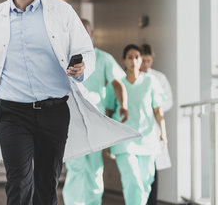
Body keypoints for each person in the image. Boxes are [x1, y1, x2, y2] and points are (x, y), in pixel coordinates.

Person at [0, 0, 138, 205]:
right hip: (13, 113)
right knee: (19, 181)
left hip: (54, 111)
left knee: (47, 183)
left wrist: (82, 69)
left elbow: (87, 53)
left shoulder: (62, 12)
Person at [62, 19, 126, 205]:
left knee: (95, 168)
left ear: (91, 33)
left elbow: (118, 83)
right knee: (76, 166)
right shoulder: (65, 58)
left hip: (96, 120)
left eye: (85, 31)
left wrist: (122, 106)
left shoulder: (103, 58)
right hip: (73, 120)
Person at [104, 44, 167, 205]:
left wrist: (163, 134)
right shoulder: (117, 84)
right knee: (133, 181)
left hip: (147, 139)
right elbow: (109, 113)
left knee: (146, 182)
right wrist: (107, 140)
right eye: (130, 57)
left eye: (137, 57)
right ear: (124, 60)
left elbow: (158, 110)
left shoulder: (150, 82)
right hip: (124, 140)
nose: (134, 60)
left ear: (141, 60)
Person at [140, 43, 173, 205]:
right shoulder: (131, 77)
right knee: (137, 174)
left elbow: (168, 102)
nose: (145, 64)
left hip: (152, 129)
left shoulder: (158, 78)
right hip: (138, 130)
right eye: (143, 60)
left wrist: (153, 107)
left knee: (152, 172)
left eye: (148, 61)